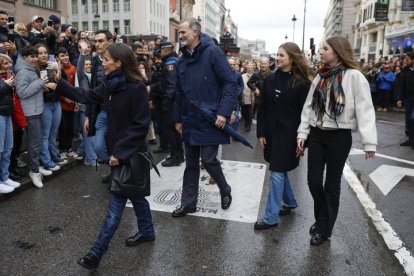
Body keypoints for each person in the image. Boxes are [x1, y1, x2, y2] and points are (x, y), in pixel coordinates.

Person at [55, 43, 155, 270]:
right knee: (136, 196)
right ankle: (148, 232)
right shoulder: (110, 85)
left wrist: (119, 154)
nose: (102, 61)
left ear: (118, 63)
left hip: (131, 154)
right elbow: (87, 95)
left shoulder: (137, 88)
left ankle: (96, 253)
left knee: (116, 206)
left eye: (106, 58)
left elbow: (141, 126)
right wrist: (59, 83)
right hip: (117, 153)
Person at [296, 36, 377, 246]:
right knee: (313, 181)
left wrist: (369, 142)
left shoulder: (355, 77)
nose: (321, 52)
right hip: (317, 134)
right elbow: (308, 108)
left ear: (337, 51)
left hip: (339, 137)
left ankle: (323, 228)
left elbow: (365, 110)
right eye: (322, 48)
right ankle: (323, 218)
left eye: (325, 49)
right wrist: (302, 134)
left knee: (331, 185)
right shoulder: (319, 77)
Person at [172, 18, 237, 217]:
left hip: (210, 118)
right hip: (190, 118)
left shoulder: (213, 52)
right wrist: (178, 119)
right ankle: (188, 203)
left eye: (183, 32)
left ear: (196, 32)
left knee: (209, 160)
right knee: (190, 163)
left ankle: (225, 189)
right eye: (179, 33)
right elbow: (179, 92)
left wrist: (224, 112)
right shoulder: (181, 59)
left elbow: (229, 83)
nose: (180, 35)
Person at [255, 42, 312, 230]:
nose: (277, 58)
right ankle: (290, 202)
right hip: (271, 134)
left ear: (292, 58)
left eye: (281, 55)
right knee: (279, 169)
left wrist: (304, 141)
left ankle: (271, 217)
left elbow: (307, 115)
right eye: (277, 55)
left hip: (290, 136)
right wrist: (261, 132)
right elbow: (262, 107)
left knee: (276, 172)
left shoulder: (302, 84)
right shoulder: (269, 79)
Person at [15, 45, 54, 188]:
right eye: (32, 56)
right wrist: (39, 83)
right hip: (30, 112)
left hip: (36, 109)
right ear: (25, 57)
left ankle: (36, 167)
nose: (35, 59)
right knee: (34, 143)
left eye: (35, 56)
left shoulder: (29, 69)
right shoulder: (23, 71)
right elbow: (22, 92)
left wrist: (40, 85)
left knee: (36, 141)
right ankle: (34, 171)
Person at [149, 41, 184, 167]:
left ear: (165, 50)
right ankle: (177, 155)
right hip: (171, 101)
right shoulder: (172, 61)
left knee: (170, 130)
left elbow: (171, 86)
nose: (159, 53)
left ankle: (176, 156)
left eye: (160, 50)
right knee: (172, 130)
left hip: (171, 102)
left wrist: (166, 102)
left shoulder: (170, 63)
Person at [0, 54, 20, 193]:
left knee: (7, 148)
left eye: (9, 62)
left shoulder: (7, 75)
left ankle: (5, 177)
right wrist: (4, 85)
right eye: (5, 63)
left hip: (7, 114)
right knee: (0, 149)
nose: (9, 65)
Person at [397, 52, 414, 149]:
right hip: (408, 99)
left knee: (413, 118)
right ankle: (411, 139)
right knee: (408, 120)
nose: (405, 61)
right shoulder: (406, 70)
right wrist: (399, 98)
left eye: (407, 60)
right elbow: (401, 85)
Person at [241, 62, 255, 132]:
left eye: (251, 68)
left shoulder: (256, 76)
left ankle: (248, 126)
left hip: (251, 98)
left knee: (250, 113)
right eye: (248, 68)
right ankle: (246, 122)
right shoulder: (243, 76)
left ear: (253, 68)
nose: (249, 69)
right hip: (243, 97)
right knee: (244, 112)